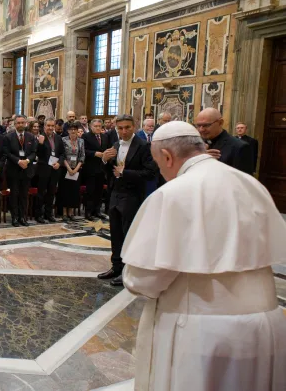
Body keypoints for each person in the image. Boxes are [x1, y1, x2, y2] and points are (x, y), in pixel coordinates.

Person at [122, 121, 286, 391]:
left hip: (202, 335)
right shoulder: (251, 184)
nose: (162, 172)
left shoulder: (172, 194)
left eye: (158, 164)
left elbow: (144, 279)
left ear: (167, 157)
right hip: (265, 325)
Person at [99, 114, 157, 286]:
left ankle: (128, 271)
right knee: (115, 233)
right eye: (120, 128)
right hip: (115, 194)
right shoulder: (116, 145)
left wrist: (126, 173)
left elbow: (150, 173)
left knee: (128, 235)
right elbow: (110, 171)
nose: (123, 131)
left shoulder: (144, 146)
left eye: (127, 127)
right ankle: (116, 266)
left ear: (134, 126)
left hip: (132, 196)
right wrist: (104, 160)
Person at [194, 108, 253, 174]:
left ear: (220, 123)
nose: (201, 129)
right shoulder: (195, 144)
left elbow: (241, 180)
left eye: (206, 125)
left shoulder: (239, 147)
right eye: (198, 125)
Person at [3, 115, 38, 226]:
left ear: (26, 123)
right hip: (14, 169)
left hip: (27, 169)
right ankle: (14, 217)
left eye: (22, 122)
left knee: (24, 195)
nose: (20, 125)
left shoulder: (31, 137)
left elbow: (34, 152)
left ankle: (23, 217)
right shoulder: (9, 137)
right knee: (14, 194)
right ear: (15, 124)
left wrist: (27, 161)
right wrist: (18, 161)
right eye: (18, 123)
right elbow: (7, 153)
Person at [35, 119, 65, 223]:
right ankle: (38, 214)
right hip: (43, 169)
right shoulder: (40, 137)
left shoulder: (58, 138)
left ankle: (49, 214)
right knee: (41, 193)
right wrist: (41, 144)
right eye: (48, 125)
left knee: (51, 193)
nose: (50, 128)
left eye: (52, 126)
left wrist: (59, 163)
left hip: (55, 169)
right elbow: (38, 154)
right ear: (44, 126)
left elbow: (62, 154)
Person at [82, 119, 108, 220]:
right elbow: (83, 150)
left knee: (99, 191)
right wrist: (94, 153)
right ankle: (88, 212)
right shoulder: (86, 136)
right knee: (90, 191)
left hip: (102, 168)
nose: (98, 128)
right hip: (90, 168)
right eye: (95, 126)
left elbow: (108, 148)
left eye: (99, 126)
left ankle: (97, 211)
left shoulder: (105, 136)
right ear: (91, 126)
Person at [58, 122, 84, 221]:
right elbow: (62, 155)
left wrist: (76, 169)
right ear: (68, 130)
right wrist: (69, 168)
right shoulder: (63, 140)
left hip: (76, 169)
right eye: (71, 129)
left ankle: (71, 212)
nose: (73, 131)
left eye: (75, 129)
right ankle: (64, 213)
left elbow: (82, 156)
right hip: (65, 169)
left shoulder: (81, 141)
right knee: (65, 191)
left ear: (78, 131)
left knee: (74, 191)